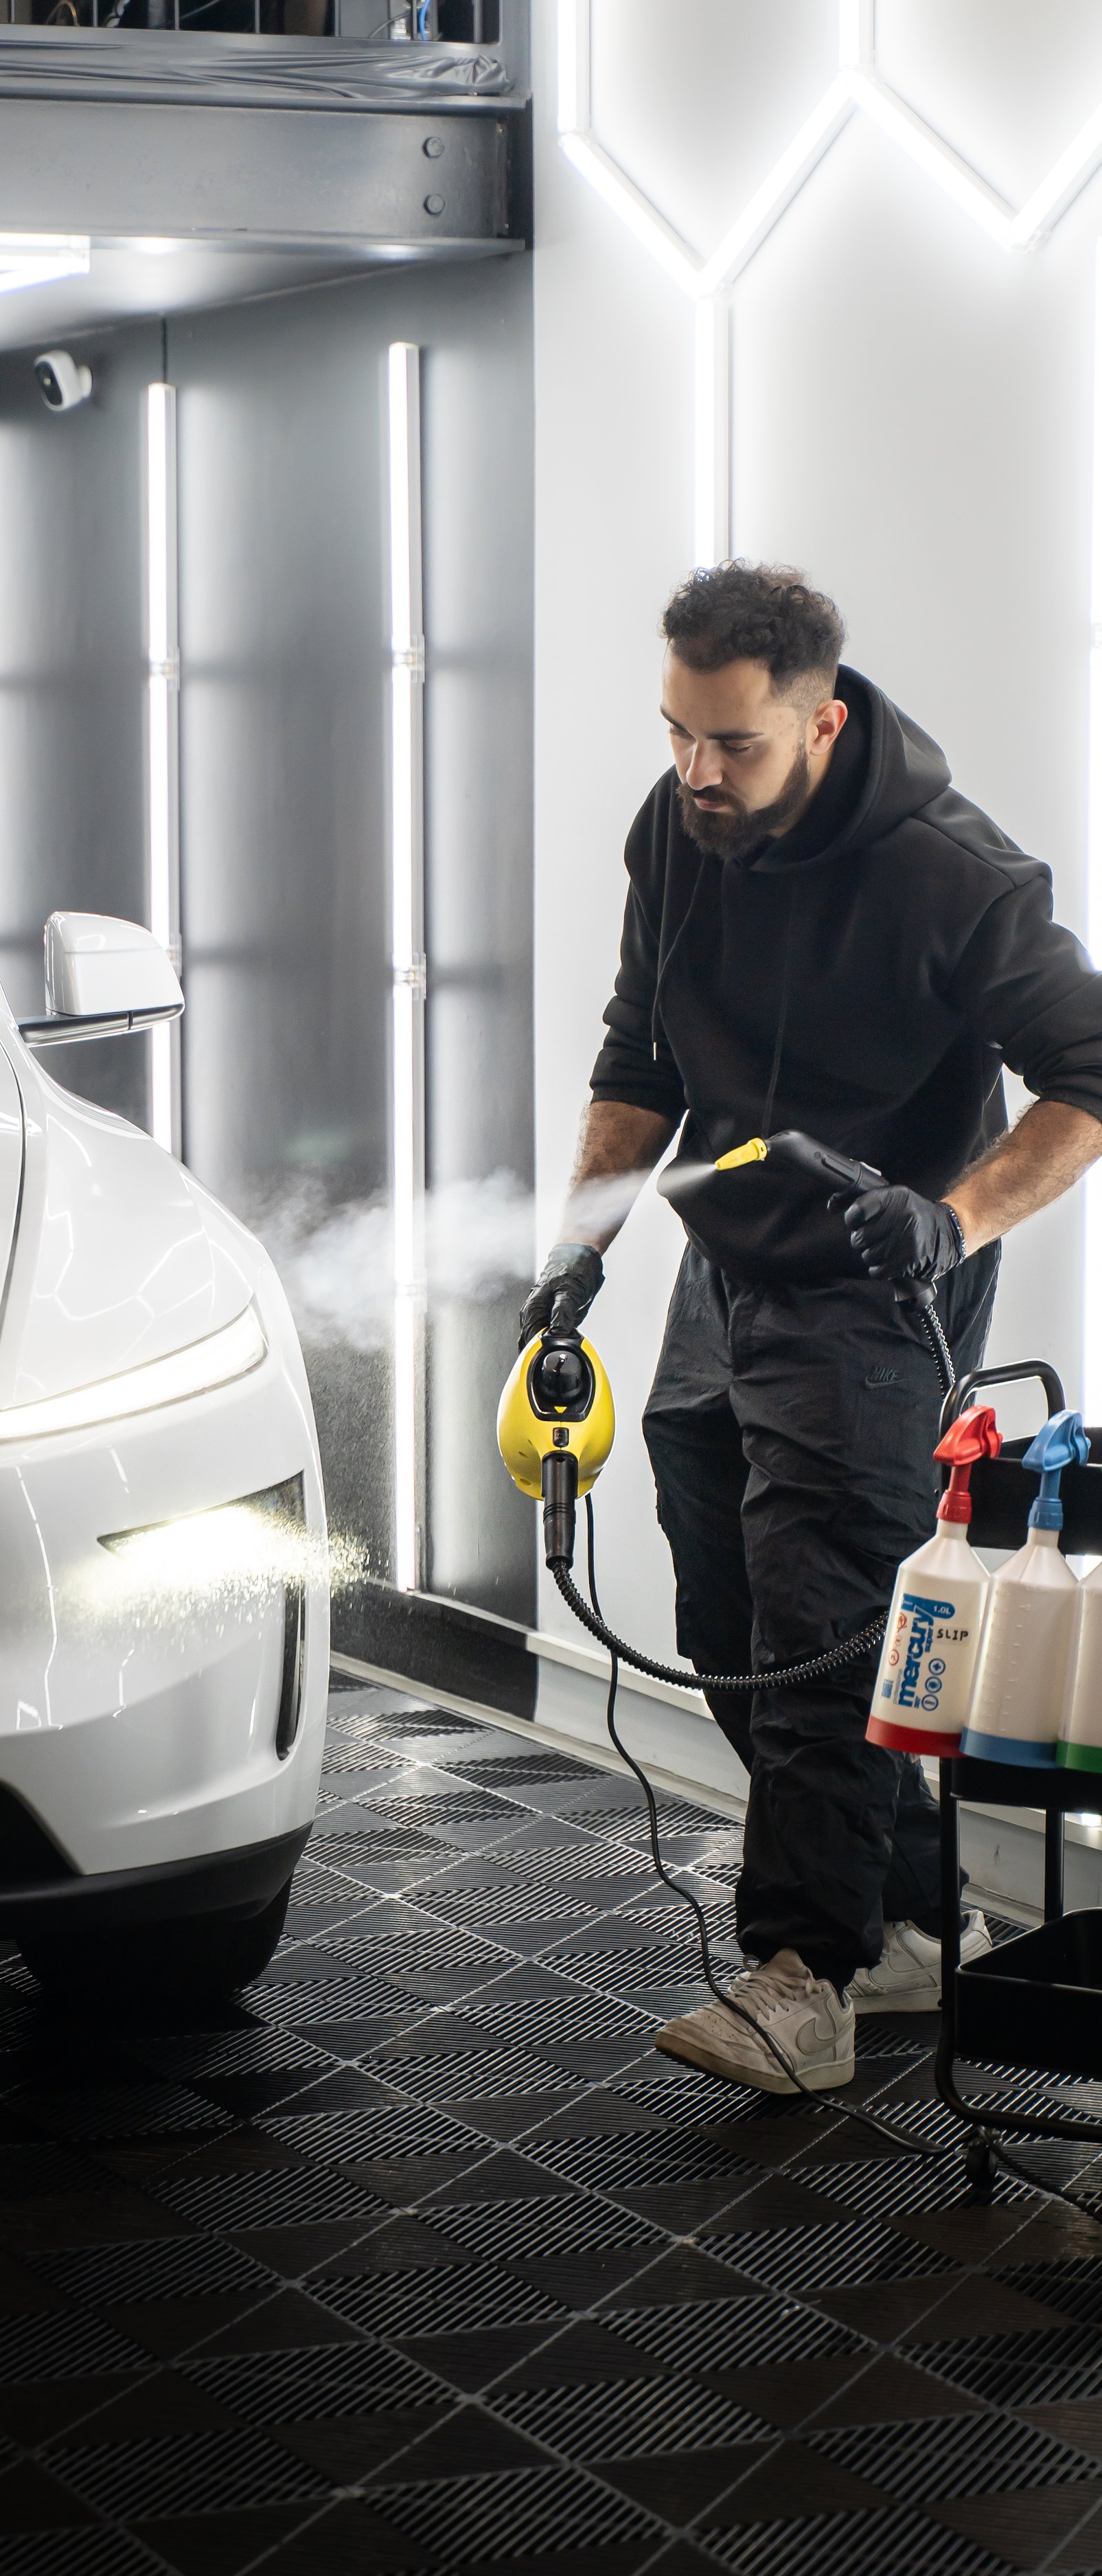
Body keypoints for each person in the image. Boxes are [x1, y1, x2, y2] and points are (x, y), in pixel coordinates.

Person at [520, 562, 1102, 2094]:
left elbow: (1087, 1079)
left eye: (732, 745)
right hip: (731, 1272)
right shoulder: (677, 830)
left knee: (819, 1614)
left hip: (875, 1288)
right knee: (728, 1613)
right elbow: (635, 1056)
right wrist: (578, 1251)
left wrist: (950, 1218)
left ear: (822, 723)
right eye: (676, 736)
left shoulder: (950, 874)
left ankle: (805, 1976)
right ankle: (907, 1917)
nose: (697, 774)